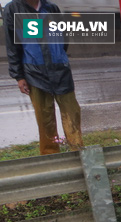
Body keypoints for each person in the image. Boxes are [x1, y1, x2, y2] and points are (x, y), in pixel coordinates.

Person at [4, 0, 84, 155]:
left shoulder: (51, 8)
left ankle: (77, 152)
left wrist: (59, 57)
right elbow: (12, 45)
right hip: (34, 73)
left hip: (60, 70)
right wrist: (19, 76)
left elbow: (63, 37)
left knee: (72, 112)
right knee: (44, 117)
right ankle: (51, 156)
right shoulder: (13, 9)